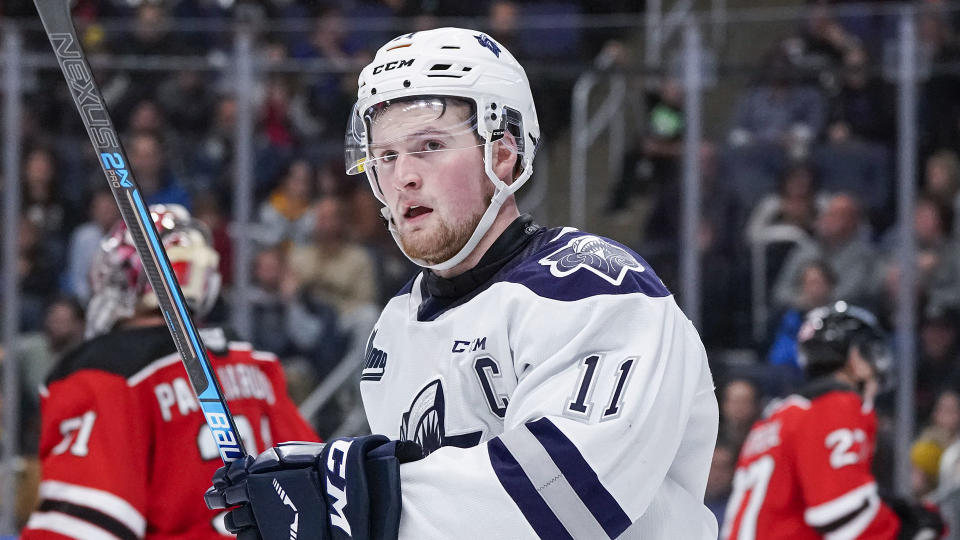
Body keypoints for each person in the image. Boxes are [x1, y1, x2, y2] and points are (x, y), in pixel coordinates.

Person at [205, 27, 720, 539]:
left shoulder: (594, 289)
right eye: (385, 156)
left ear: (503, 154)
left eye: (428, 146)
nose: (402, 176)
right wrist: (312, 498)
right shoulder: (397, 324)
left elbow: (570, 500)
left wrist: (349, 500)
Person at [22, 204, 319, 539]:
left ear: (121, 275)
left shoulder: (107, 372)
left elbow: (81, 528)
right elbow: (315, 482)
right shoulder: (252, 364)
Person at [721, 301, 944, 539]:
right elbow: (840, 514)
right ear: (856, 357)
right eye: (873, 353)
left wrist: (888, 507)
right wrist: (908, 530)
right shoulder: (836, 405)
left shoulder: (779, 415)